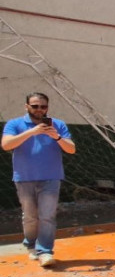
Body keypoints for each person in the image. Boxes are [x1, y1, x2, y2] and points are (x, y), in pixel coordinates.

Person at [1, 92, 76, 267]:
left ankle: (45, 251)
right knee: (30, 216)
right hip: (24, 177)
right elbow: (6, 145)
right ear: (26, 106)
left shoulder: (58, 125)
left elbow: (71, 149)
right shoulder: (15, 124)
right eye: (35, 106)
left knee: (47, 216)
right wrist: (31, 132)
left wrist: (56, 137)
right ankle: (31, 244)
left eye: (43, 106)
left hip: (51, 177)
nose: (39, 109)